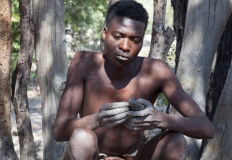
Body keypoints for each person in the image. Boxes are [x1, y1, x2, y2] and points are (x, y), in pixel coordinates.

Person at [54, 1, 214, 160]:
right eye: (118, 36)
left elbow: (206, 128)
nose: (125, 46)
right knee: (82, 138)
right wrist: (97, 119)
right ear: (104, 33)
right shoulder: (84, 63)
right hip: (91, 154)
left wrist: (161, 119)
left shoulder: (157, 71)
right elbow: (59, 131)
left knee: (176, 142)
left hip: (134, 157)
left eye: (135, 40)